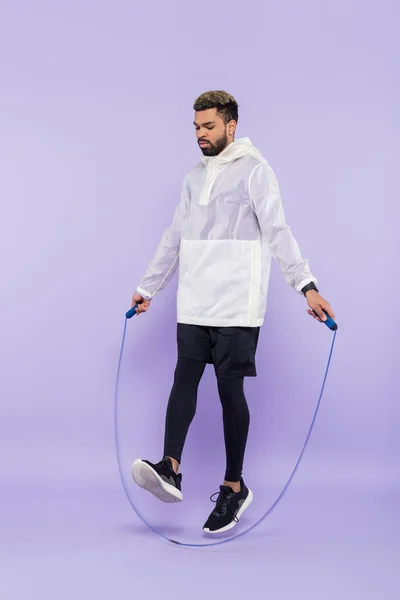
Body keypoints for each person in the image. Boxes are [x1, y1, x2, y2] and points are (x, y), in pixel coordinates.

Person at [130, 90, 335, 535]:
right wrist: (149, 288)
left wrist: (307, 286)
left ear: (231, 126)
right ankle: (170, 467)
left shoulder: (256, 172)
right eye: (196, 128)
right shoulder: (192, 178)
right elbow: (174, 238)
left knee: (228, 390)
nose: (201, 135)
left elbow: (278, 232)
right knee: (183, 378)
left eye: (208, 127)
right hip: (196, 300)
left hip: (238, 304)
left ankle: (234, 485)